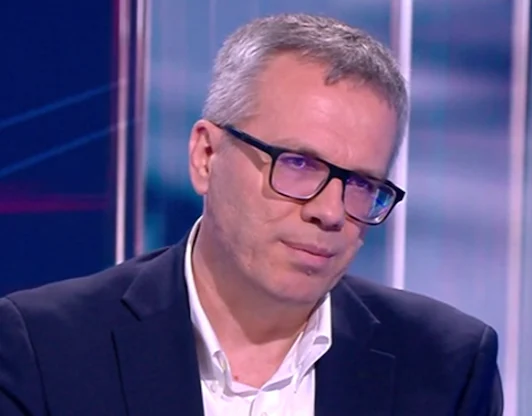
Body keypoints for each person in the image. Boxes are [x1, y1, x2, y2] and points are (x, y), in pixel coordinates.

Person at [0, 13, 502, 416]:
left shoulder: (446, 367)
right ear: (206, 156)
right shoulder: (45, 349)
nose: (331, 213)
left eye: (362, 185)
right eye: (299, 164)